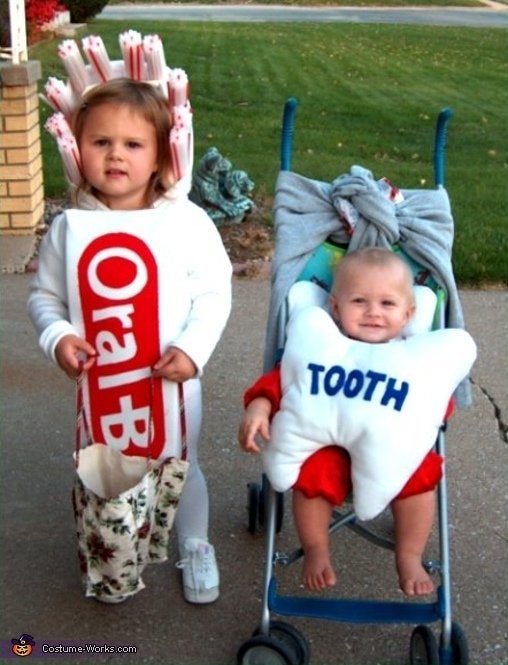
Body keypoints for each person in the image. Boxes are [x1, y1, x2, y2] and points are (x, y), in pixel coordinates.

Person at [27, 78, 232, 604]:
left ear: (161, 155)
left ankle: (195, 542)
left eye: (133, 144)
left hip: (173, 384)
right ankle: (118, 557)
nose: (116, 154)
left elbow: (213, 293)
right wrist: (60, 336)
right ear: (78, 150)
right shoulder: (69, 229)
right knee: (115, 474)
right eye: (101, 142)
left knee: (177, 466)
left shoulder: (186, 222)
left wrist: (192, 349)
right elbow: (45, 298)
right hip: (107, 388)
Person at [239, 247, 445, 597]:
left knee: (420, 475)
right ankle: (316, 550)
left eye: (387, 304)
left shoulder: (413, 357)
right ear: (334, 307)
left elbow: (435, 399)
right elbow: (286, 379)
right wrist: (259, 406)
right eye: (359, 301)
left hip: (391, 447)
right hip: (326, 444)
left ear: (409, 313)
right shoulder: (321, 345)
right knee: (312, 474)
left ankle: (409, 555)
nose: (373, 313)